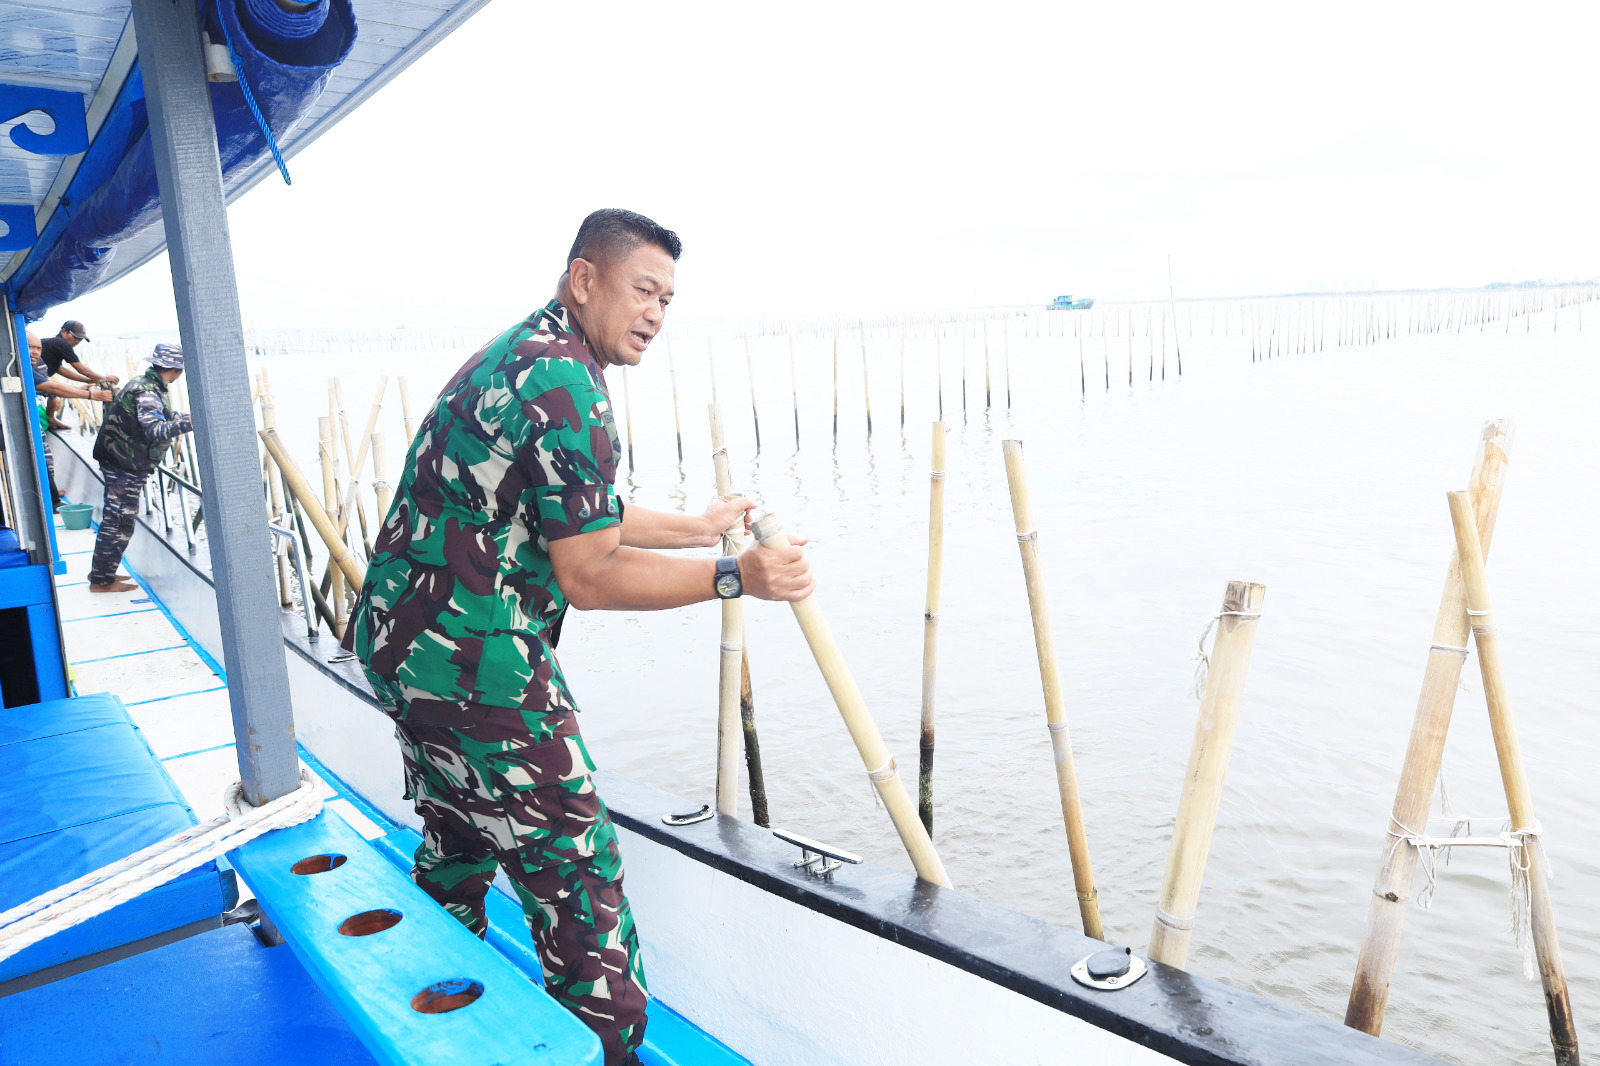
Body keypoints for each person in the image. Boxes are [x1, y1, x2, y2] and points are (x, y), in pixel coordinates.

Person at [345, 209, 813, 1065]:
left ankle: (429, 1014)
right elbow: (590, 575)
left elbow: (577, 509)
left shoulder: (528, 354)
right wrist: (737, 576)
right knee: (576, 872)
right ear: (584, 278)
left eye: (668, 301)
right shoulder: (569, 387)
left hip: (403, 644)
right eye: (643, 290)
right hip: (473, 666)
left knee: (460, 832)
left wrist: (700, 527)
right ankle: (611, 1054)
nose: (655, 315)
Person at [87, 344, 192, 593]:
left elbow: (160, 414)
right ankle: (101, 581)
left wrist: (182, 417)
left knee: (118, 520)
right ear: (176, 370)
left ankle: (102, 572)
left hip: (120, 460)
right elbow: (155, 430)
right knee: (119, 522)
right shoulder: (148, 391)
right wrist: (191, 423)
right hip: (123, 464)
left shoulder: (145, 383)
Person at [39, 320, 116, 431]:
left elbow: (61, 370)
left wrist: (88, 380)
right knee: (55, 394)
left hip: (39, 377)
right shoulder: (62, 343)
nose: (77, 341)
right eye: (75, 337)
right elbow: (81, 369)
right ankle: (51, 419)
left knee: (54, 396)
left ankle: (51, 419)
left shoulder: (54, 344)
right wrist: (103, 378)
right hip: (35, 377)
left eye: (80, 339)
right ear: (64, 331)